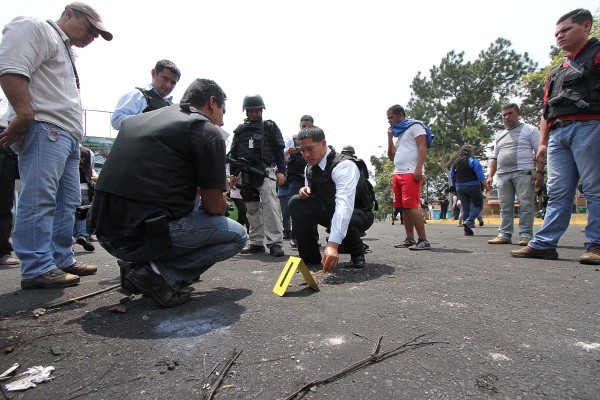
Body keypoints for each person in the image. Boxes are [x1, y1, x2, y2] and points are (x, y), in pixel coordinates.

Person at [88, 78, 247, 307]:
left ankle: (139, 267)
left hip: (105, 232)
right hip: (139, 238)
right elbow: (214, 206)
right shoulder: (205, 130)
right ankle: (159, 274)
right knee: (238, 235)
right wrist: (218, 201)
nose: (223, 118)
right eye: (223, 110)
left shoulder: (141, 120)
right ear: (212, 103)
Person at [0, 2, 112, 288]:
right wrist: (24, 113)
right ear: (70, 13)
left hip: (67, 136)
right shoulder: (36, 28)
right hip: (44, 126)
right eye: (90, 28)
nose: (92, 37)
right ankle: (37, 266)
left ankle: (60, 258)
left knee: (68, 201)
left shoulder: (66, 49)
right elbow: (12, 67)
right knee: (40, 197)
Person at [512, 9, 600, 265]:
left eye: (565, 30)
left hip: (590, 127)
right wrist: (542, 141)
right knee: (558, 191)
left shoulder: (596, 55)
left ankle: (596, 244)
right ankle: (545, 243)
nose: (559, 37)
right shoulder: (556, 71)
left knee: (594, 188)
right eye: (556, 33)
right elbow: (546, 109)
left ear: (586, 26)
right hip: (558, 134)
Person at [288, 126, 374, 270]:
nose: (306, 155)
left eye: (310, 149)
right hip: (329, 209)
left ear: (323, 144)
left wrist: (332, 245)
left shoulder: (343, 165)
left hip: (358, 212)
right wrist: (306, 190)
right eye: (302, 151)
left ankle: (357, 253)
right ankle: (311, 259)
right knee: (296, 202)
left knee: (347, 216)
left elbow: (344, 206)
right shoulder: (309, 167)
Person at [228, 94, 285, 257]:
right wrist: (234, 174)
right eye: (250, 110)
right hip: (246, 175)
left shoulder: (269, 127)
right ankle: (256, 242)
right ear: (246, 112)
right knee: (251, 209)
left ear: (261, 110)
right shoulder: (240, 130)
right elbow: (234, 153)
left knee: (270, 206)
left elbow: (279, 149)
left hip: (266, 171)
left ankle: (275, 243)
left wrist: (282, 170)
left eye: (256, 110)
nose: (253, 113)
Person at [487, 103, 542, 246]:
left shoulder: (530, 130)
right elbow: (494, 157)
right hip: (503, 174)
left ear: (518, 114)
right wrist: (490, 176)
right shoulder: (500, 135)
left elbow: (539, 152)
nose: (507, 117)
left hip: (523, 172)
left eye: (510, 113)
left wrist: (540, 172)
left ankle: (526, 235)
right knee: (505, 206)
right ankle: (504, 234)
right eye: (504, 115)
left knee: (526, 204)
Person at [386, 104, 431, 250]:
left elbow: (422, 147)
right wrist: (389, 138)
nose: (389, 121)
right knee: (403, 207)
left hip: (411, 172)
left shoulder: (415, 126)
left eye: (391, 117)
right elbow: (391, 157)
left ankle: (423, 240)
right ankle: (410, 238)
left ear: (400, 115)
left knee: (411, 206)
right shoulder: (399, 134)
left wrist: (418, 168)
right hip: (398, 173)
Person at [111, 59, 181, 130]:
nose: (168, 85)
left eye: (173, 83)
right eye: (165, 79)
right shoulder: (136, 95)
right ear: (154, 73)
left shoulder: (173, 107)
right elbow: (116, 121)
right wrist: (147, 119)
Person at [450, 145, 491, 236]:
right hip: (473, 185)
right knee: (478, 205)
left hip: (459, 186)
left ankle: (467, 230)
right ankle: (469, 221)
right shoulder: (472, 160)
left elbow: (452, 176)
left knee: (465, 208)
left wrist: (453, 187)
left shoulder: (455, 162)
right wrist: (487, 186)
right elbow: (479, 174)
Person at [72, 145, 96, 252]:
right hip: (84, 186)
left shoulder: (65, 148)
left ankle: (69, 238)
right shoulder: (88, 152)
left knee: (68, 213)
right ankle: (83, 234)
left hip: (68, 187)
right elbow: (90, 170)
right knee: (84, 213)